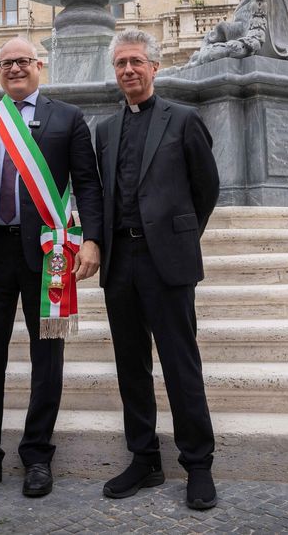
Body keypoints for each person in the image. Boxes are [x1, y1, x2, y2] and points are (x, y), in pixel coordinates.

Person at [0, 37, 103, 501]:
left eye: (23, 61)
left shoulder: (68, 118)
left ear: (39, 65)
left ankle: (36, 455)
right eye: (7, 63)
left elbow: (88, 185)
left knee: (47, 357)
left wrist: (91, 240)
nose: (15, 68)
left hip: (48, 257)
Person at [94, 29, 220, 510]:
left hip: (166, 260)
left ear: (154, 67)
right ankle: (144, 458)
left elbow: (206, 188)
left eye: (136, 62)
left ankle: (199, 464)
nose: (128, 70)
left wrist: (179, 237)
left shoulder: (184, 120)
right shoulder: (104, 130)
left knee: (180, 363)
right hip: (119, 262)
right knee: (131, 365)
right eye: (121, 63)